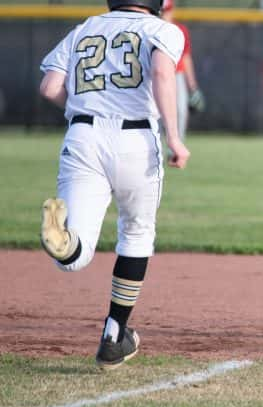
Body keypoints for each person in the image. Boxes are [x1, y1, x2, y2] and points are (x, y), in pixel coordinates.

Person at [38, 0, 190, 370]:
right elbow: (161, 72)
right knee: (137, 233)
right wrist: (174, 135)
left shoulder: (84, 28)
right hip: (134, 137)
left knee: (76, 255)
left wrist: (84, 110)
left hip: (83, 135)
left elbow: (49, 87)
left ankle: (65, 241)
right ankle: (113, 332)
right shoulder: (162, 29)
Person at [160, 0, 205, 140]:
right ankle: (158, 145)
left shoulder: (180, 30)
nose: (163, 15)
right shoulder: (152, 29)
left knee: (181, 110)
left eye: (166, 11)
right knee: (157, 113)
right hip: (157, 76)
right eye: (161, 12)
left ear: (172, 11)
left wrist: (192, 85)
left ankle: (177, 145)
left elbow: (186, 58)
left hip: (177, 75)